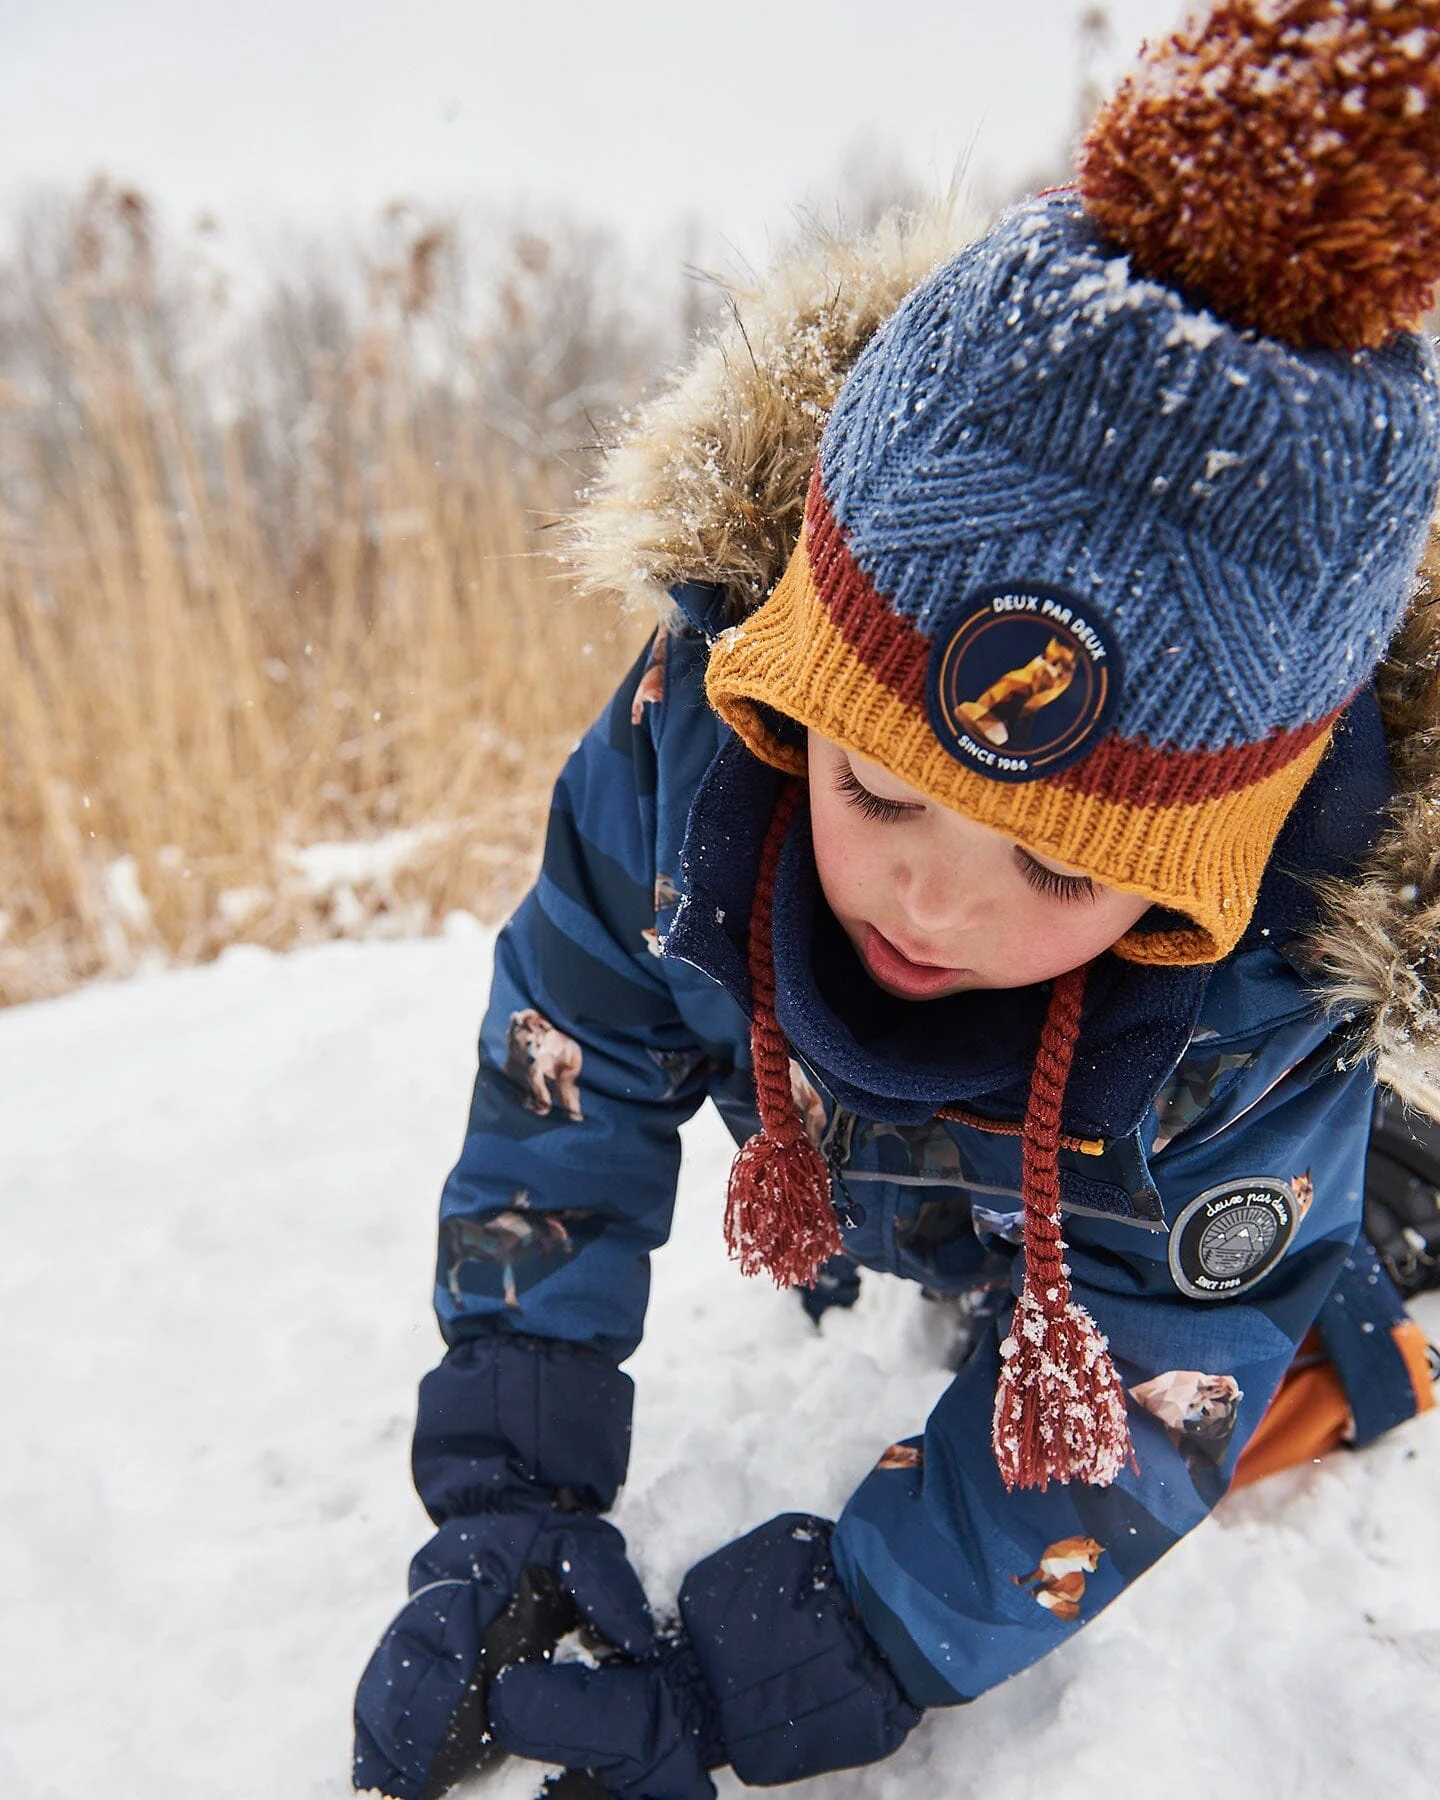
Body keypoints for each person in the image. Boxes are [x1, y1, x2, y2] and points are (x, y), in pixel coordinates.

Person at [354, 5, 1440, 1797]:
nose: (930, 900)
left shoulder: (1262, 1014)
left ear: (1206, 873)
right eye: (874, 788)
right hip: (925, 1178)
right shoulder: (686, 750)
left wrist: (837, 1644)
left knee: (1298, 1356)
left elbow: (1164, 1367)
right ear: (792, 687)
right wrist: (511, 1484)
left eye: (1062, 861)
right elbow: (574, 1065)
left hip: (1242, 1200)